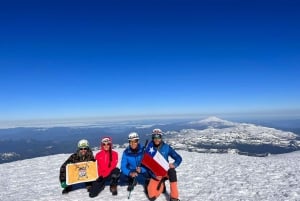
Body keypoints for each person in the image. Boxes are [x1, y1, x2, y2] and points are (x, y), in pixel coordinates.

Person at [144, 128, 182, 201]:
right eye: (154, 137)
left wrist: (175, 164)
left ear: (161, 137)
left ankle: (174, 197)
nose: (156, 139)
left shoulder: (166, 147)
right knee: (152, 196)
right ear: (152, 138)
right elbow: (146, 165)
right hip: (155, 174)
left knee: (172, 172)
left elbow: (178, 158)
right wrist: (153, 174)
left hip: (165, 171)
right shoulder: (148, 149)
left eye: (158, 137)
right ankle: (161, 185)